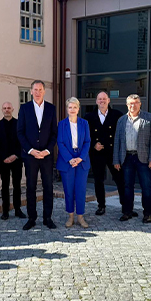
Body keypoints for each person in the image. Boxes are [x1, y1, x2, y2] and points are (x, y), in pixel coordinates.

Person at [16, 80, 58, 230]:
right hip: (30, 156)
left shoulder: (51, 109)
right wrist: (30, 150)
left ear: (44, 91)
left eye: (40, 89)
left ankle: (48, 218)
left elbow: (54, 133)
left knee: (48, 187)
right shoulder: (24, 108)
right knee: (30, 187)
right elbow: (20, 132)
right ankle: (31, 218)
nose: (38, 92)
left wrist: (47, 150)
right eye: (35, 89)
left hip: (46, 156)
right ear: (31, 91)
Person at [113, 94, 151, 223]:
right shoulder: (121, 120)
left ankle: (147, 213)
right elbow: (117, 141)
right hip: (126, 157)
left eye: (136, 103)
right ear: (127, 105)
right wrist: (116, 160)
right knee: (127, 186)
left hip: (143, 158)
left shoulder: (149, 118)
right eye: (130, 103)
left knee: (146, 186)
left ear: (140, 104)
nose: (133, 105)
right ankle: (127, 212)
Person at [84, 91, 125, 216]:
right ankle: (101, 205)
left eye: (104, 99)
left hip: (113, 153)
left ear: (108, 100)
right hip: (97, 154)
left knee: (120, 180)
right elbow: (85, 136)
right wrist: (93, 145)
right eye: (100, 99)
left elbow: (122, 135)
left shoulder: (117, 115)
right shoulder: (89, 117)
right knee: (98, 180)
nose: (102, 101)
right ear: (96, 101)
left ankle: (126, 206)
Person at [57, 97, 91, 228]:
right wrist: (70, 159)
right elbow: (60, 143)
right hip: (67, 161)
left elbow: (87, 142)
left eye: (74, 107)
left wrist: (80, 158)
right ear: (67, 109)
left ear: (78, 109)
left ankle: (80, 217)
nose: (72, 109)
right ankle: (70, 216)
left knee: (81, 190)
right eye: (70, 107)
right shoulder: (62, 124)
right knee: (69, 190)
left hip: (81, 160)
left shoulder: (84, 123)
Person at [0, 102, 25, 219]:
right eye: (4, 108)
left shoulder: (19, 124)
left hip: (16, 159)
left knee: (17, 185)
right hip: (3, 161)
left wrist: (15, 155)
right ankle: (5, 211)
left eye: (8, 108)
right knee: (5, 186)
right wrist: (4, 157)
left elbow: (22, 142)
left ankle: (18, 209)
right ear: (2, 110)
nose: (6, 110)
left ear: (12, 109)